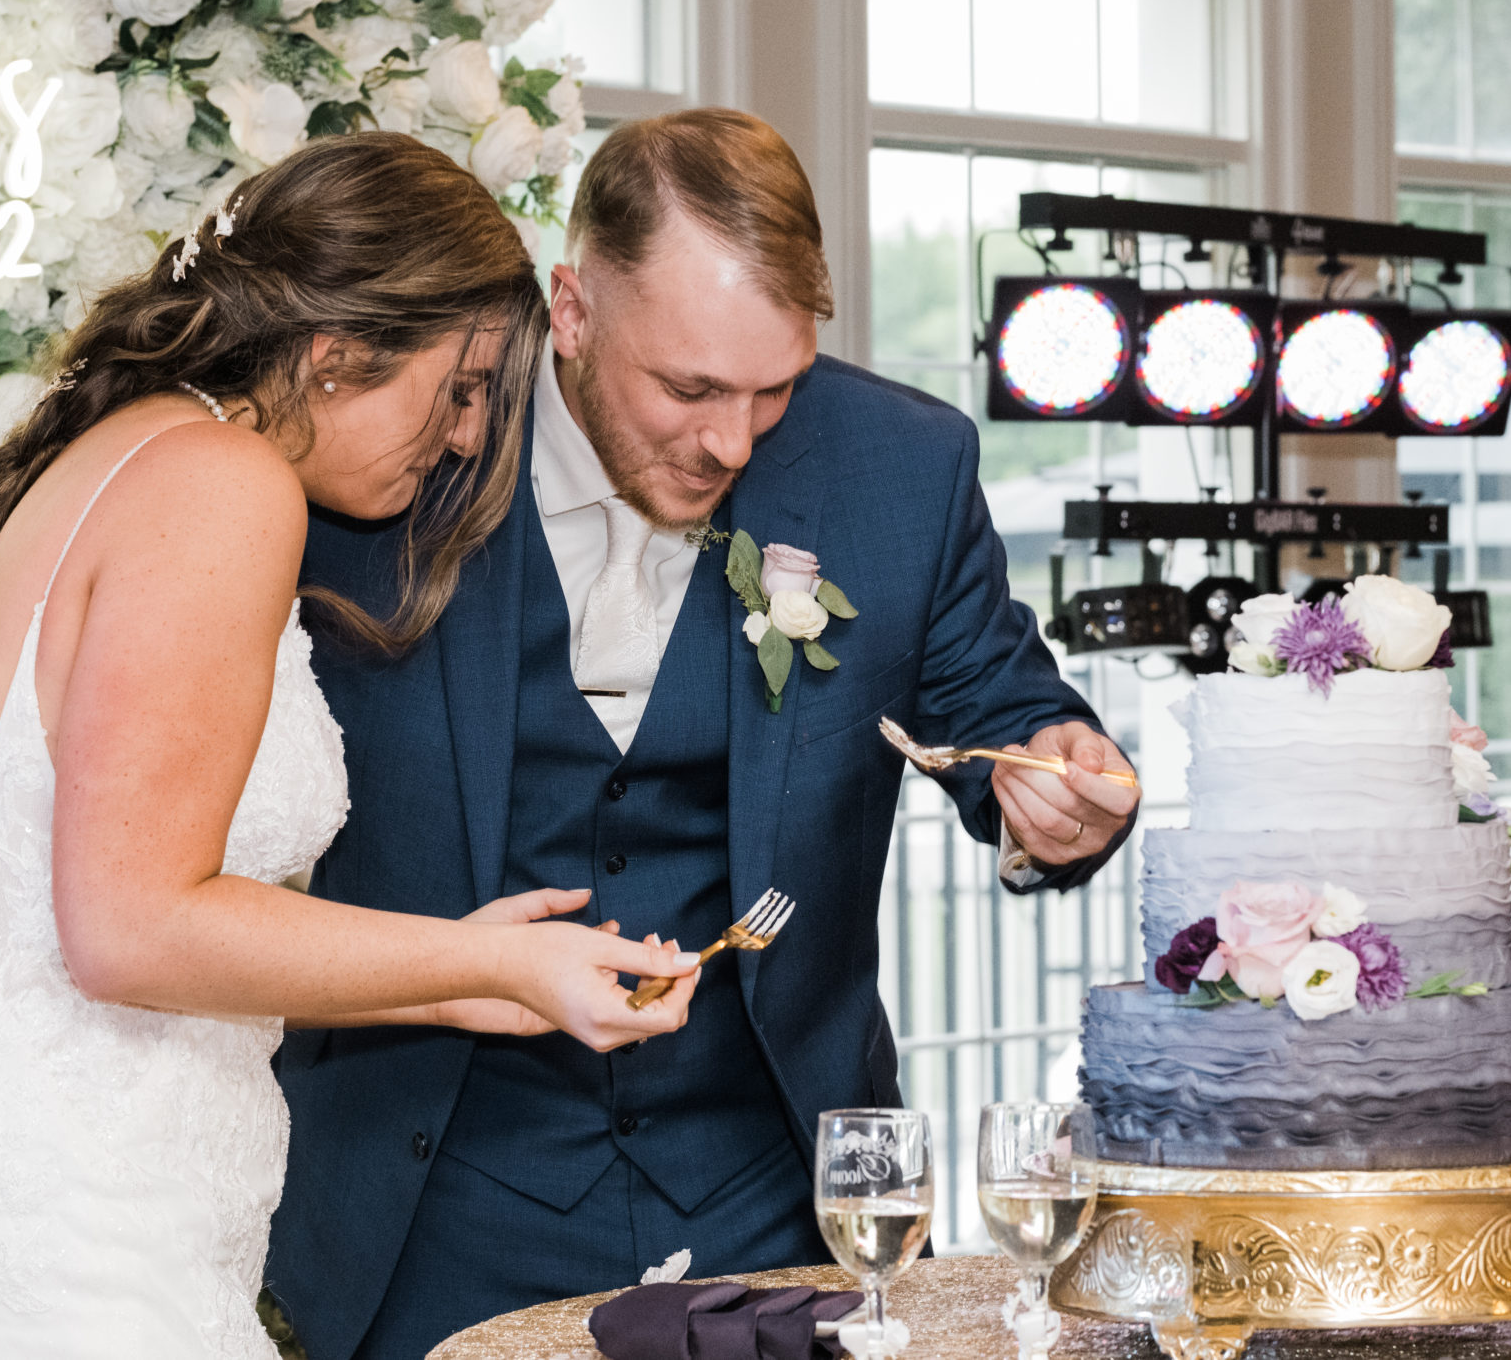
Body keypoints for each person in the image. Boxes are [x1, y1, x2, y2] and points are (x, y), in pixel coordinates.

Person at [267, 110, 1139, 1360]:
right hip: (425, 1189)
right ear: (568, 312)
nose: (732, 440)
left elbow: (1006, 717)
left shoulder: (900, 465)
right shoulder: (390, 448)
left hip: (777, 1190)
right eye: (688, 388)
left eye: (773, 387)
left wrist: (1058, 781)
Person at [0, 132, 700, 1359]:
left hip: (32, 1211)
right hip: (86, 1252)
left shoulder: (131, 456)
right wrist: (499, 970)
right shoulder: (220, 486)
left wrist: (465, 968)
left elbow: (46, 908)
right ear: (338, 352)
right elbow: (131, 927)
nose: (465, 437)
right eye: (458, 387)